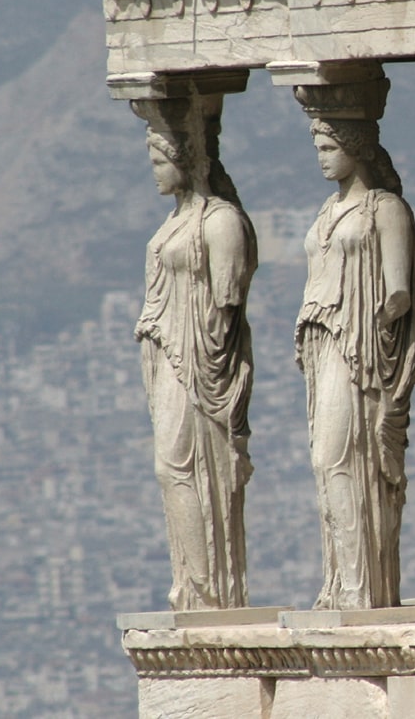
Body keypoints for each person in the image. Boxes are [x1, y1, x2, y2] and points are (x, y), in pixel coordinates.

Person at [296, 118, 415, 610]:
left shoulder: (386, 210)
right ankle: (341, 583)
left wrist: (365, 321)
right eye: (318, 147)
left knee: (342, 457)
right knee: (325, 461)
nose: (322, 156)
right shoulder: (327, 210)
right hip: (323, 345)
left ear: (355, 147)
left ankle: (362, 588)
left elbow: (398, 292)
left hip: (362, 352)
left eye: (330, 146)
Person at [135, 120, 257, 611]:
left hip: (202, 359)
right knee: (170, 467)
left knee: (184, 466)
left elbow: (227, 297)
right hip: (168, 353)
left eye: (162, 163)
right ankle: (192, 585)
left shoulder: (221, 220)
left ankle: (212, 591)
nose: (156, 174)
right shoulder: (172, 223)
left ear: (187, 162)